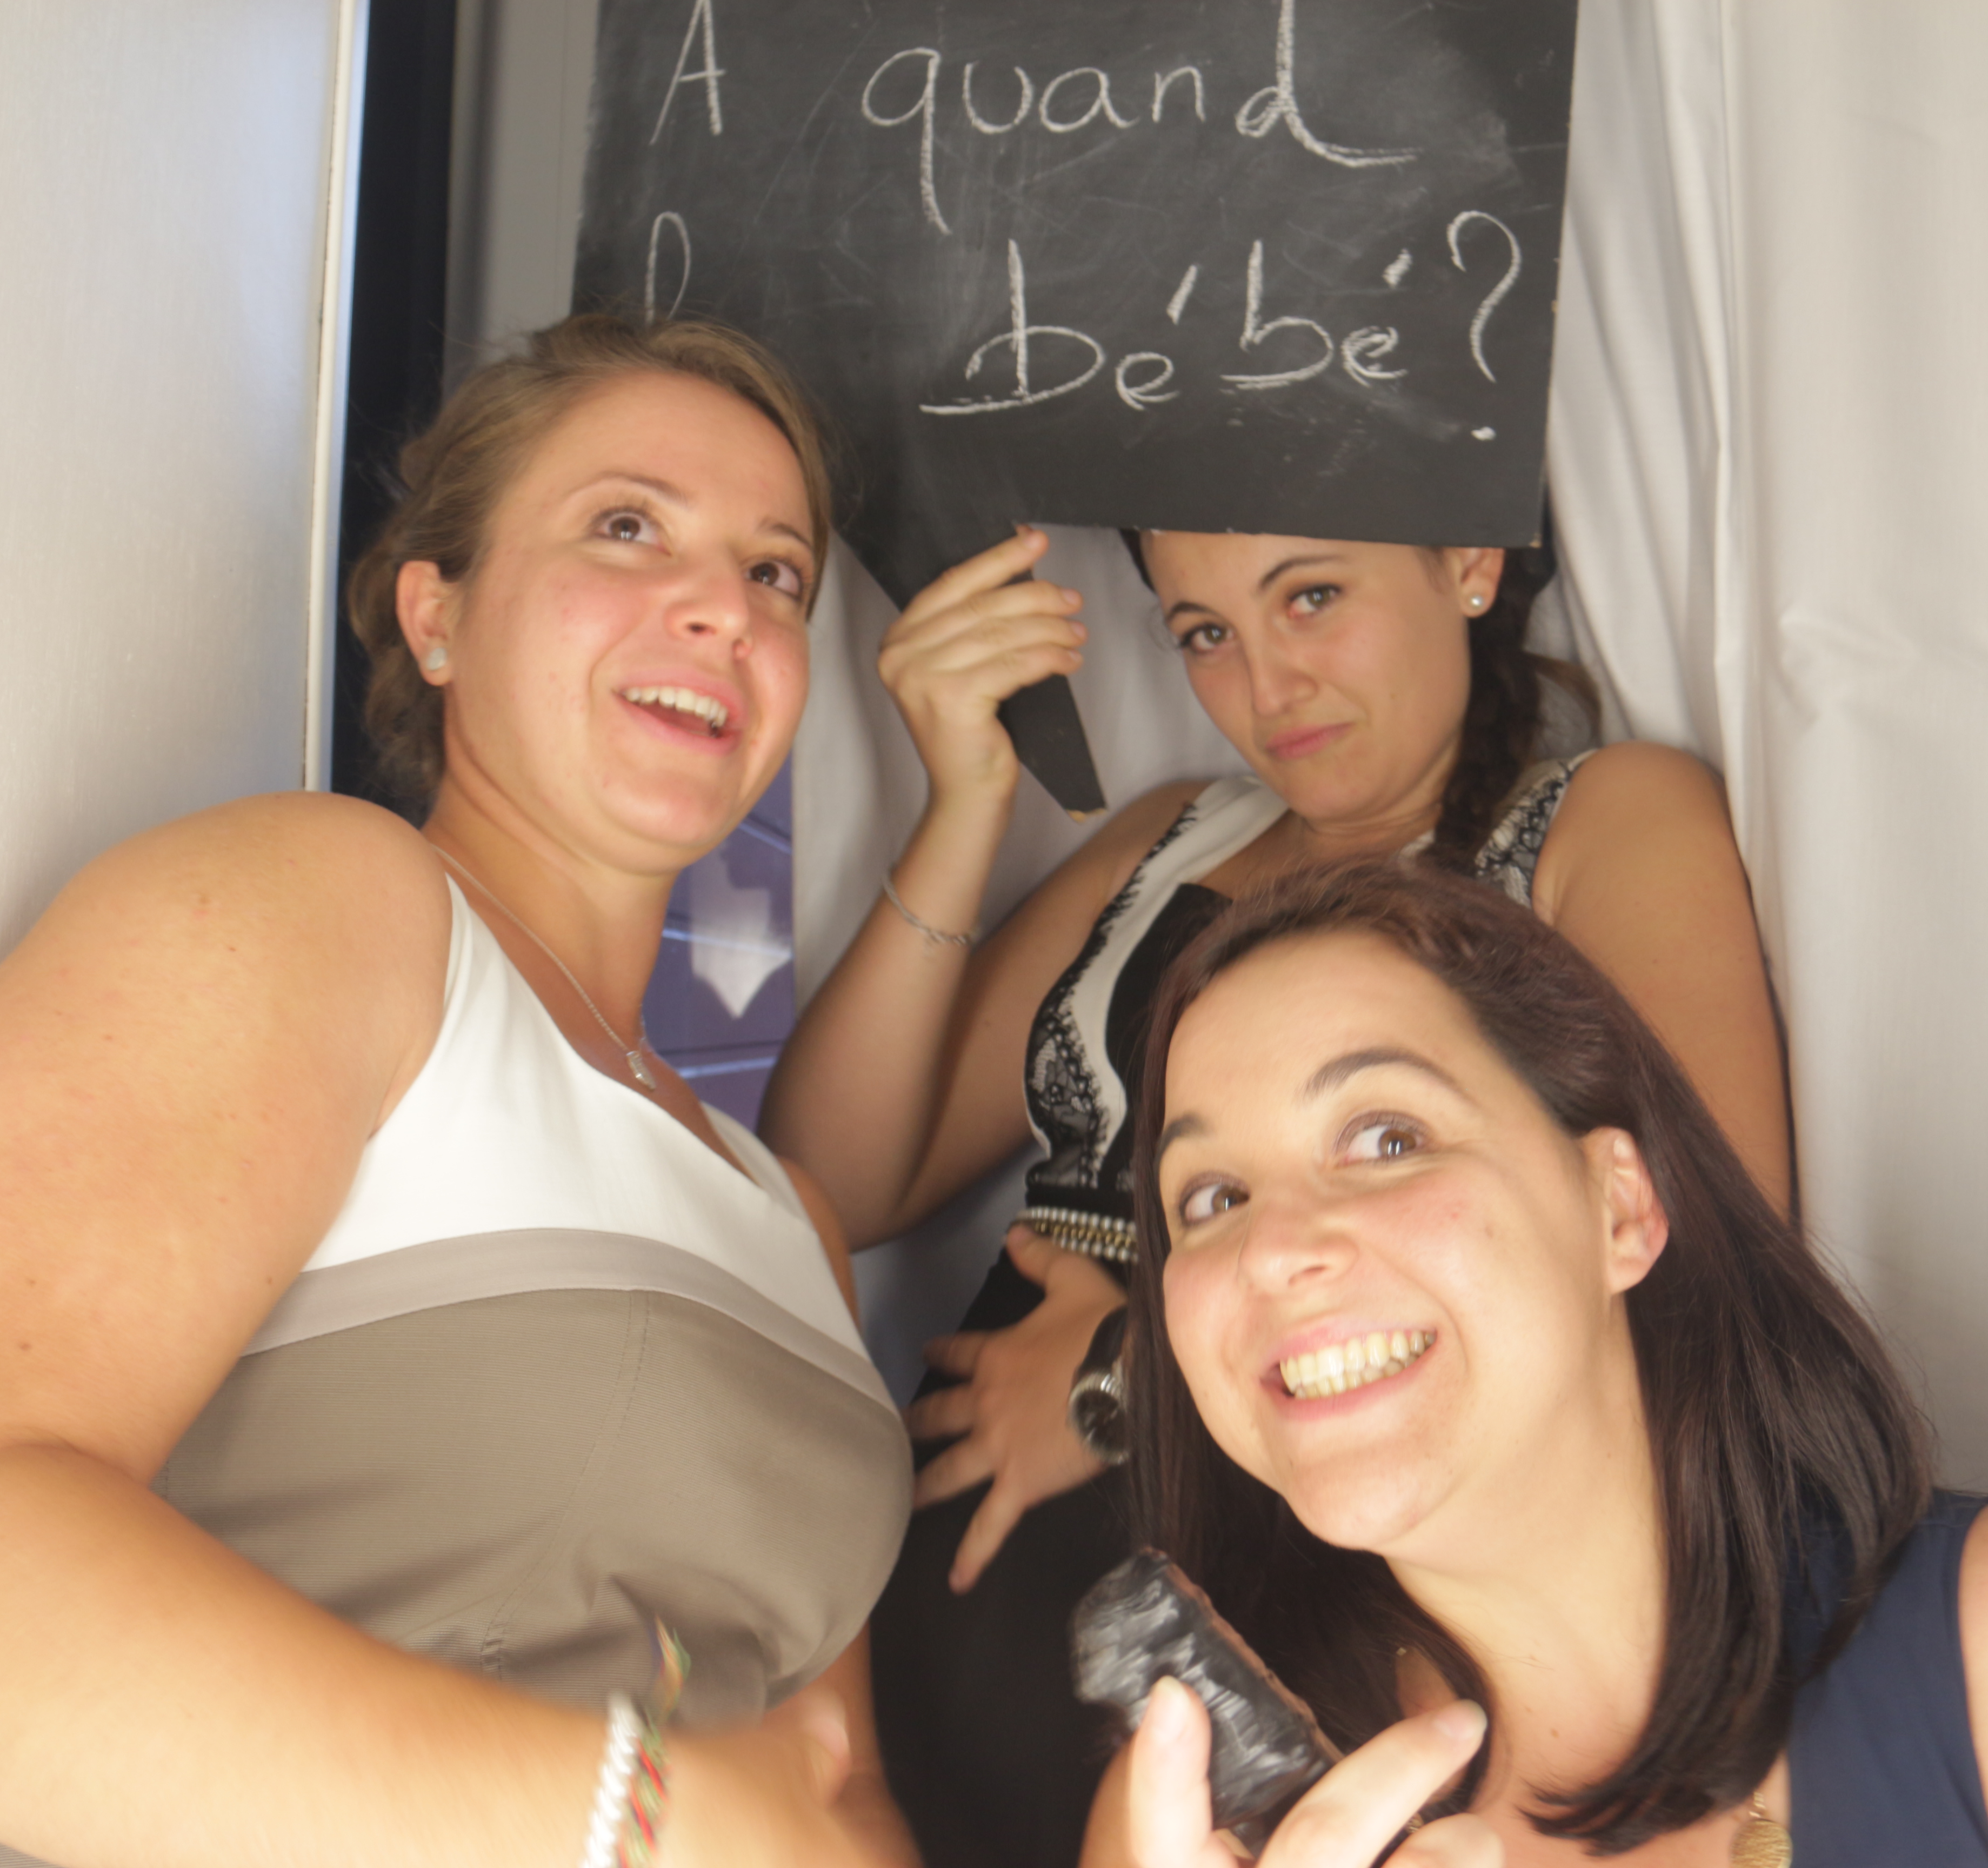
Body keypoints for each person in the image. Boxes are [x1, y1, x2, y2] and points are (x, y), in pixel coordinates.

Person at [0, 316, 917, 1868]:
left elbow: (832, 1797)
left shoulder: (797, 1223)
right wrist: (632, 1819)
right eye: (627, 528)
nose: (723, 606)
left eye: (777, 572)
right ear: (437, 615)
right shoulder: (335, 907)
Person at [761, 526, 1790, 1867]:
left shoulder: (1606, 816)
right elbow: (832, 1180)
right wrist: (965, 804)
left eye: (1311, 597)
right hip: (940, 1619)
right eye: (1206, 634)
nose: (1267, 683)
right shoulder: (1171, 837)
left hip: (1283, 1603)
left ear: (1468, 561)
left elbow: (1709, 1249)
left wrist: (1119, 1377)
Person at [1095, 862, 1988, 1868]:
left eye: (1387, 1139)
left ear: (1620, 1207)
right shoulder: (1181, 1817)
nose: (1272, 1250)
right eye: (1213, 1199)